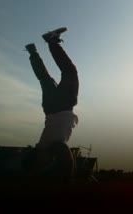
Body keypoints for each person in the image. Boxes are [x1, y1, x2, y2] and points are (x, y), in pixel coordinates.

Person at [22, 27, 79, 183]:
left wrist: (68, 177)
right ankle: (33, 52)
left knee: (69, 72)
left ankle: (52, 41)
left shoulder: (54, 147)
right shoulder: (42, 144)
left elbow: (66, 157)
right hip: (49, 109)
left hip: (63, 106)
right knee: (45, 79)